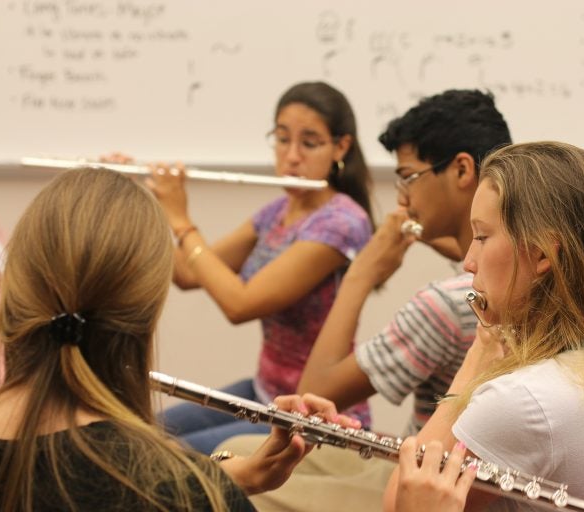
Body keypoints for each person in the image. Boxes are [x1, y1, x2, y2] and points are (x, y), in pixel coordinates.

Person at [0, 169, 363, 511]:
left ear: (15, 291)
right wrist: (206, 487)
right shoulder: (180, 492)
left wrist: (218, 478)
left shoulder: (179, 487)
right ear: (145, 313)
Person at [215, 89, 512, 512]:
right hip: (438, 470)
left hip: (417, 484)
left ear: (462, 170)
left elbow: (312, 394)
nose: (402, 198)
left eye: (408, 177)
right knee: (238, 445)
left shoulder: (448, 303)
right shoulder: (515, 278)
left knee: (231, 481)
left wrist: (361, 273)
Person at [383, 141, 584, 511]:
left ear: (543, 253)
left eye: (482, 237)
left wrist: (477, 360)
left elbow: (403, 499)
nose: (469, 261)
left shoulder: (524, 400)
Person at [146, 81, 376, 453]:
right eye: (283, 139)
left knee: (173, 457)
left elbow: (241, 304)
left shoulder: (341, 222)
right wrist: (149, 202)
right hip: (266, 392)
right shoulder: (277, 211)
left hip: (314, 416)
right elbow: (189, 274)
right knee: (146, 432)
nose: (292, 156)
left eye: (309, 142)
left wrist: (180, 219)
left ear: (341, 147)